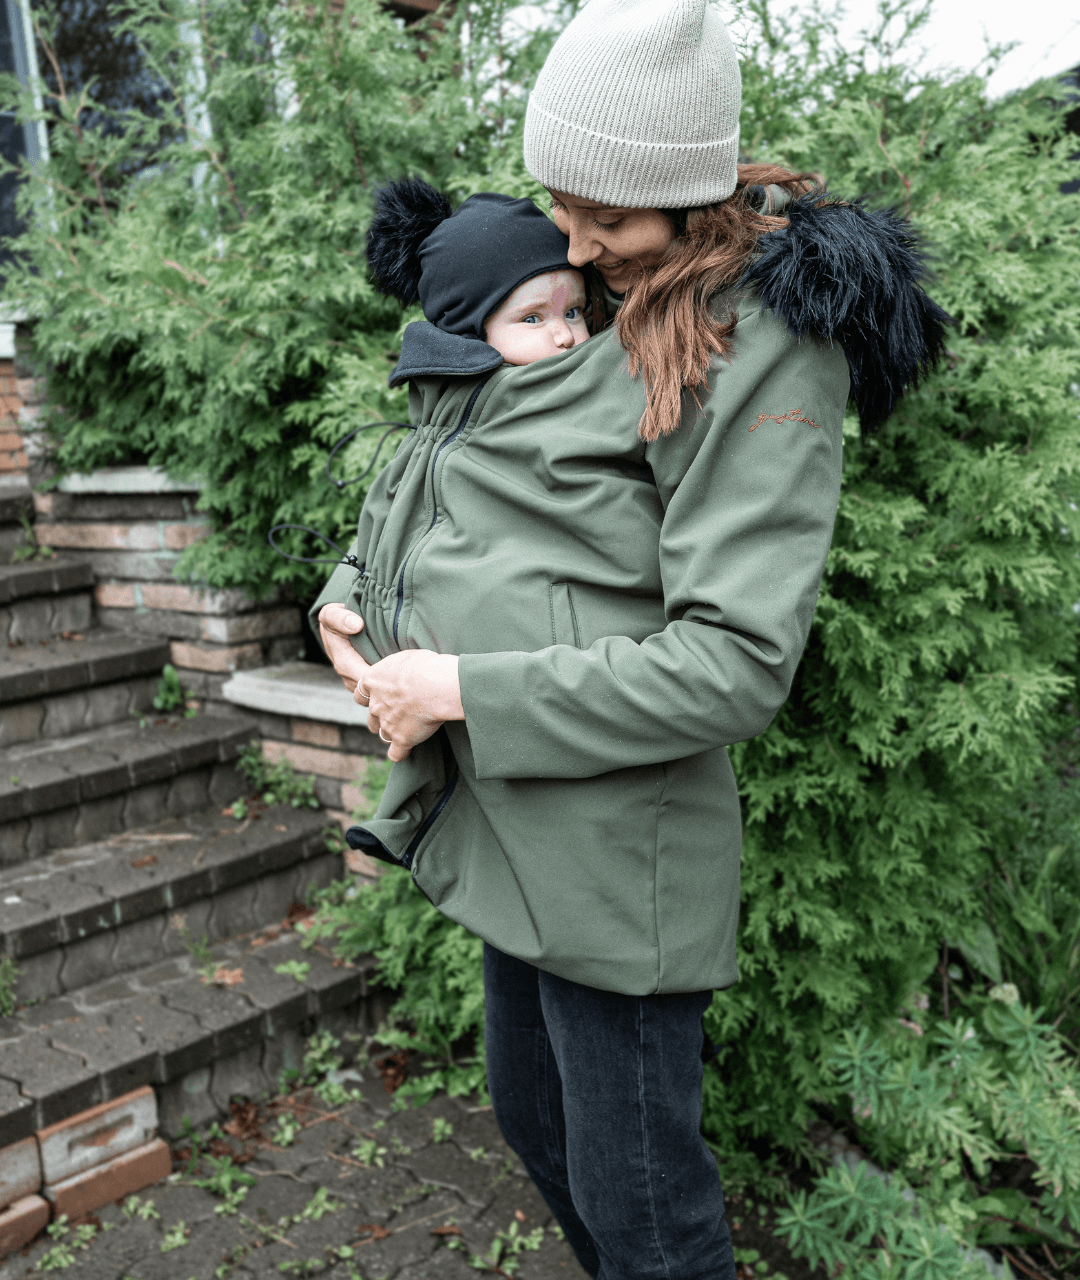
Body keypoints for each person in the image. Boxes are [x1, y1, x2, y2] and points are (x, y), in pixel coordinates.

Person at [312, 1, 948, 1276]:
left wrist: (463, 685)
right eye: (561, 198)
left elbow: (732, 662)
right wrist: (352, 592)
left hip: (612, 841)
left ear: (684, 191)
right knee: (538, 1124)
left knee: (646, 1211)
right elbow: (470, 460)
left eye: (601, 210)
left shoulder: (768, 342)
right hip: (518, 818)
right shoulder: (610, 287)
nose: (571, 237)